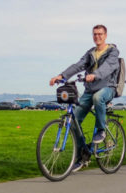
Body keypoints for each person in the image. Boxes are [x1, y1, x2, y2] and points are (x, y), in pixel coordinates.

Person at [49, 24, 120, 172]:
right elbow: (78, 65)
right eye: (95, 34)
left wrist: (95, 75)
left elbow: (108, 67)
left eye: (100, 34)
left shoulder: (113, 52)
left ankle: (101, 130)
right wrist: (61, 76)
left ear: (105, 35)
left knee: (98, 97)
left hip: (107, 88)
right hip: (90, 90)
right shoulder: (90, 53)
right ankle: (83, 154)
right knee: (73, 119)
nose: (97, 37)